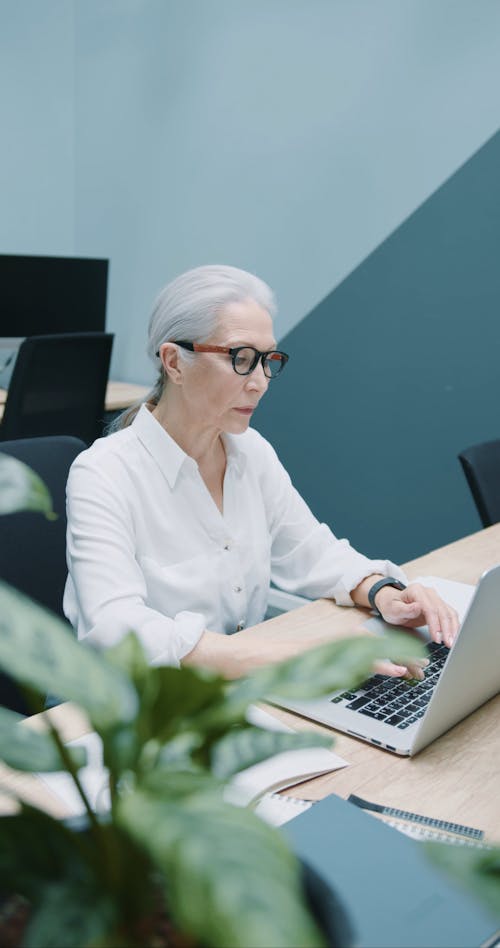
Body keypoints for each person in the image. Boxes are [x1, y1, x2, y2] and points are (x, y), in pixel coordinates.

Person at [64, 264, 458, 679]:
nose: (260, 382)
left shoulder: (250, 452)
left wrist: (384, 592)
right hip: (131, 708)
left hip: (233, 692)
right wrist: (291, 657)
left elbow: (309, 550)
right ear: (174, 363)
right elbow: (114, 626)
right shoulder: (103, 472)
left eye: (268, 360)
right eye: (241, 358)